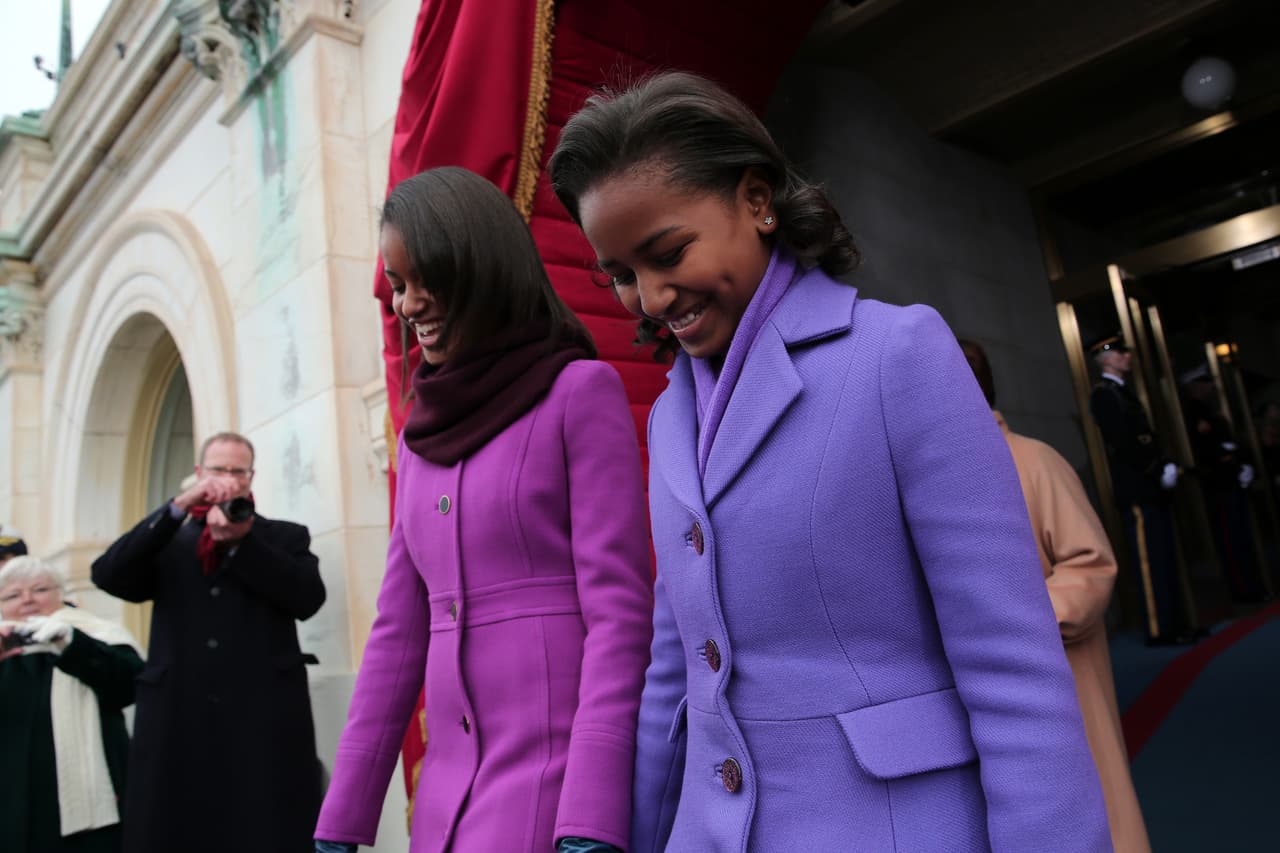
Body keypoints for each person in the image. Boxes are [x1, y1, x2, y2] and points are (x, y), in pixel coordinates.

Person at [550, 71, 1110, 853]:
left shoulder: (898, 353)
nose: (647, 297)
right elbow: (674, 667)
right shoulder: (673, 409)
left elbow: (1012, 667)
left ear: (756, 200)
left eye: (667, 252)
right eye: (618, 274)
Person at [313, 167, 652, 853]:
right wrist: (341, 821)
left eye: (420, 278)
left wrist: (591, 817)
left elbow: (621, 614)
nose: (407, 304)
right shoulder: (417, 434)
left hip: (554, 800)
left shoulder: (580, 392)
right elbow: (395, 635)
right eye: (398, 286)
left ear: (476, 263)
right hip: (443, 810)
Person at [91, 432, 326, 853]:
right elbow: (108, 574)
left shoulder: (284, 537)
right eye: (219, 469)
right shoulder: (167, 540)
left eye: (238, 471)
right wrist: (177, 508)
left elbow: (308, 599)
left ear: (251, 478)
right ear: (199, 473)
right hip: (179, 717)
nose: (228, 479)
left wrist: (242, 544)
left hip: (260, 720)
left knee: (266, 828)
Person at [960, 339, 1151, 853]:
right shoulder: (936, 472)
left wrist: (1008, 623)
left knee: (1085, 813)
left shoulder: (1035, 461)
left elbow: (1091, 566)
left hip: (1056, 675)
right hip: (975, 689)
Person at [1, 555, 144, 852]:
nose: (27, 599)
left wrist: (71, 643)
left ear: (60, 593)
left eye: (40, 590)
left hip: (88, 805)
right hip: (12, 800)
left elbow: (129, 687)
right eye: (13, 595)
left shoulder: (95, 633)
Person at [1087, 335, 1194, 644]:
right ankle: (1158, 628)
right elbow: (1124, 443)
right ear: (1105, 358)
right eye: (1120, 352)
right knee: (1149, 562)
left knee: (1164, 557)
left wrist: (1165, 464)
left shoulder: (1123, 393)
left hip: (1151, 487)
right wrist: (1155, 468)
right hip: (1137, 488)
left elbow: (1146, 437)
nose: (1126, 357)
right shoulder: (1105, 395)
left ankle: (1174, 622)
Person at [1179, 364, 1266, 602]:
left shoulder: (1211, 410)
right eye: (1203, 383)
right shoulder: (1192, 413)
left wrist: (1242, 463)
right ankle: (1243, 592)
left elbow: (1231, 442)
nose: (1208, 387)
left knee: (1243, 536)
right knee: (1231, 540)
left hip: (1231, 479)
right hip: (1217, 483)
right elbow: (1204, 449)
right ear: (1193, 386)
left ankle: (1253, 587)